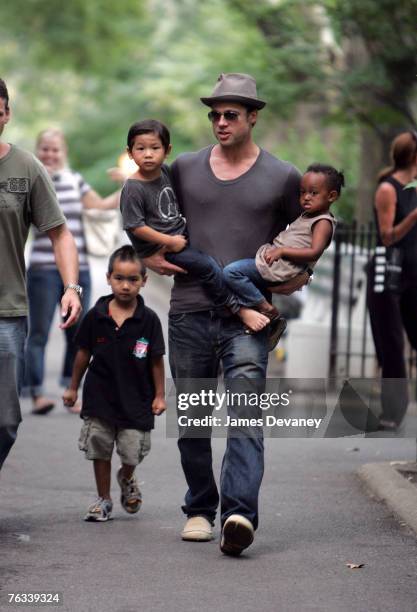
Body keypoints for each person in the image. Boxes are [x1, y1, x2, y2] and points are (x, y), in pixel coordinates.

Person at [141, 73, 307, 555]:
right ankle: (199, 506)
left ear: (253, 116)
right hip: (189, 311)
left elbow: (304, 236)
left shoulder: (284, 176)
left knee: (246, 417)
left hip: (248, 319)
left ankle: (239, 514)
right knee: (192, 418)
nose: (220, 121)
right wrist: (149, 258)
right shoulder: (184, 169)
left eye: (230, 114)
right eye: (214, 114)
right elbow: (146, 219)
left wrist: (297, 275)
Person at [0, 78, 82, 470]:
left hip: (7, 310)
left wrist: (72, 286)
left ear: (7, 114)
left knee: (5, 421)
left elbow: (59, 232)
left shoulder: (26, 167)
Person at [120, 119, 269, 333]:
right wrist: (168, 241)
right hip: (161, 247)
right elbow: (135, 226)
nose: (148, 154)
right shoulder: (133, 187)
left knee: (216, 256)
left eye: (155, 148)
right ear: (130, 152)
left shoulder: (165, 173)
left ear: (167, 150)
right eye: (140, 149)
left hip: (178, 236)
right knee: (208, 267)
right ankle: (239, 308)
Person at [63, 245, 166, 521]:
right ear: (109, 278)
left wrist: (159, 395)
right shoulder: (96, 316)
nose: (125, 285)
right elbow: (83, 352)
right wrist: (73, 387)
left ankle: (127, 476)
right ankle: (103, 498)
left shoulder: (149, 320)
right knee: (99, 445)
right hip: (100, 397)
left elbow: (156, 359)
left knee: (132, 450)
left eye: (133, 280)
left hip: (137, 399)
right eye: (119, 278)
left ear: (144, 281)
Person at [24, 128, 121, 415]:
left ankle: (70, 390)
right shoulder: (31, 181)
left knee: (77, 332)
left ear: (63, 153)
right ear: (38, 150)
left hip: (77, 273)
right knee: (38, 332)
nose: (50, 154)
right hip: (42, 270)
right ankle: (38, 394)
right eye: (45, 149)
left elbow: (101, 206)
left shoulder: (75, 181)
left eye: (55, 150)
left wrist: (131, 184)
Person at [223, 164, 341, 324]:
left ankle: (266, 308)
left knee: (232, 273)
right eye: (303, 192)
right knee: (237, 280)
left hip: (280, 269)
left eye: (313, 193)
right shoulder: (308, 215)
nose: (306, 197)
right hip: (276, 264)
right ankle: (268, 322)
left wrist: (283, 251)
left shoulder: (323, 222)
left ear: (332, 196)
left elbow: (314, 252)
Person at [367, 131, 417, 431]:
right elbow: (388, 236)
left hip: (414, 273)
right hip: (389, 273)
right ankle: (393, 412)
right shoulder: (388, 188)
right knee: (392, 344)